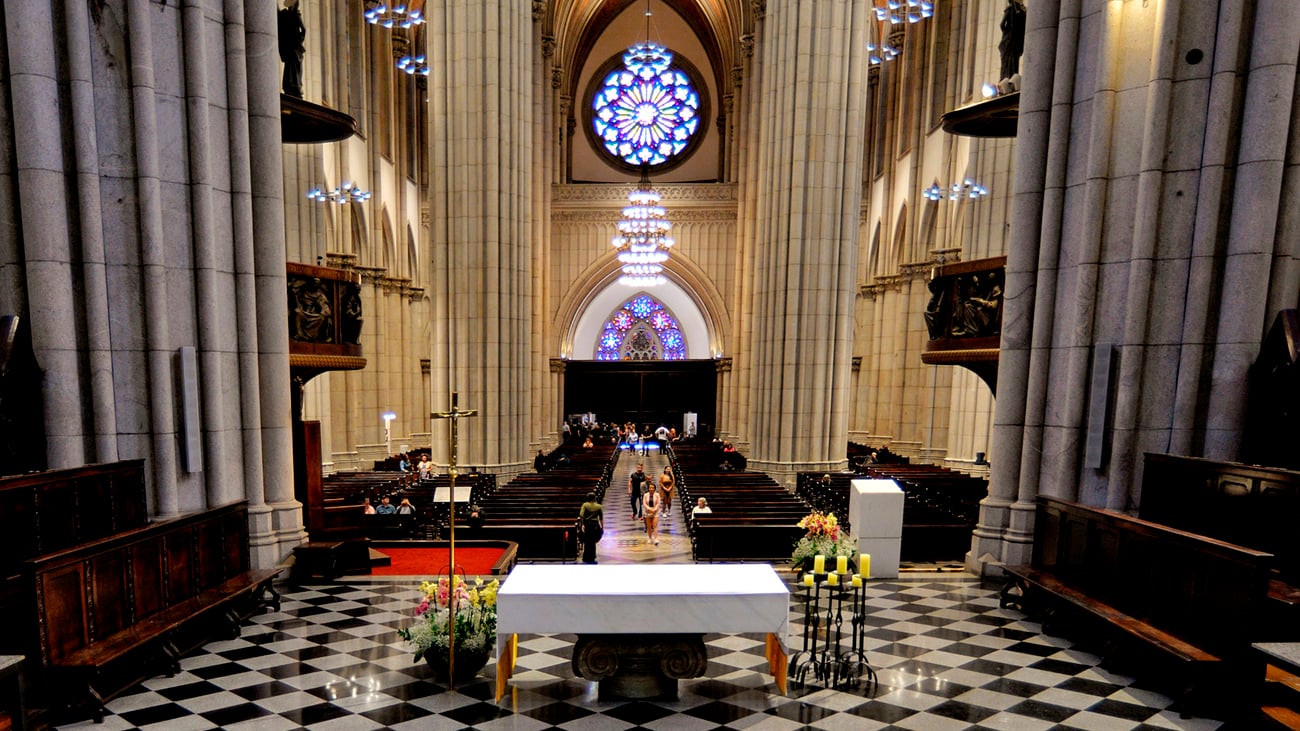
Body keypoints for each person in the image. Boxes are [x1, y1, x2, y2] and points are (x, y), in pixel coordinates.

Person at [578, 491, 603, 564]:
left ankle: (586, 557)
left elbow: (581, 515)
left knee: (587, 541)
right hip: (595, 525)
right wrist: (602, 527)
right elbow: (601, 518)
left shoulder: (585, 505)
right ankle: (592, 556)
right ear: (594, 498)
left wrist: (582, 524)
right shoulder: (598, 506)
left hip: (587, 525)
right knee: (592, 541)